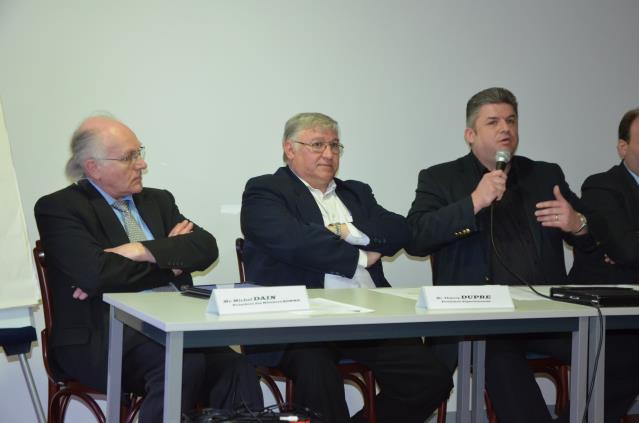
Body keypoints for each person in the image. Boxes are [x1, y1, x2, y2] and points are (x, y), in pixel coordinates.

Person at [34, 115, 263, 422]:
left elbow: (206, 248)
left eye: (139, 152)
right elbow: (95, 273)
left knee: (238, 367)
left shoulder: (158, 201)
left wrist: (140, 250)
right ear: (93, 168)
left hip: (177, 327)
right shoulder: (59, 208)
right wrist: (171, 264)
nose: (141, 164)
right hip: (103, 336)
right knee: (183, 363)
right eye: (129, 157)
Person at [240, 112, 453, 423]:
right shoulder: (266, 190)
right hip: (301, 323)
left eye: (335, 146)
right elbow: (294, 240)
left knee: (431, 378)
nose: (329, 154)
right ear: (289, 149)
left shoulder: (356, 192)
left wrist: (348, 232)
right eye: (317, 144)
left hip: (368, 317)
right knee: (318, 374)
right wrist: (361, 257)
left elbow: (400, 230)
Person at [406, 87, 595, 423]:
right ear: (470, 134)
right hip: (480, 320)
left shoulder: (544, 174)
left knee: (620, 352)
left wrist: (577, 223)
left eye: (511, 120)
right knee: (498, 356)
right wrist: (473, 203)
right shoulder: (440, 178)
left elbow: (592, 241)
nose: (505, 128)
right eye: (493, 121)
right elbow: (417, 239)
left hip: (546, 315)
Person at [568, 108, 639, 420]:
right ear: (623, 147)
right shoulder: (602, 186)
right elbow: (627, 251)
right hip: (605, 310)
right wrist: (627, 245)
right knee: (628, 356)